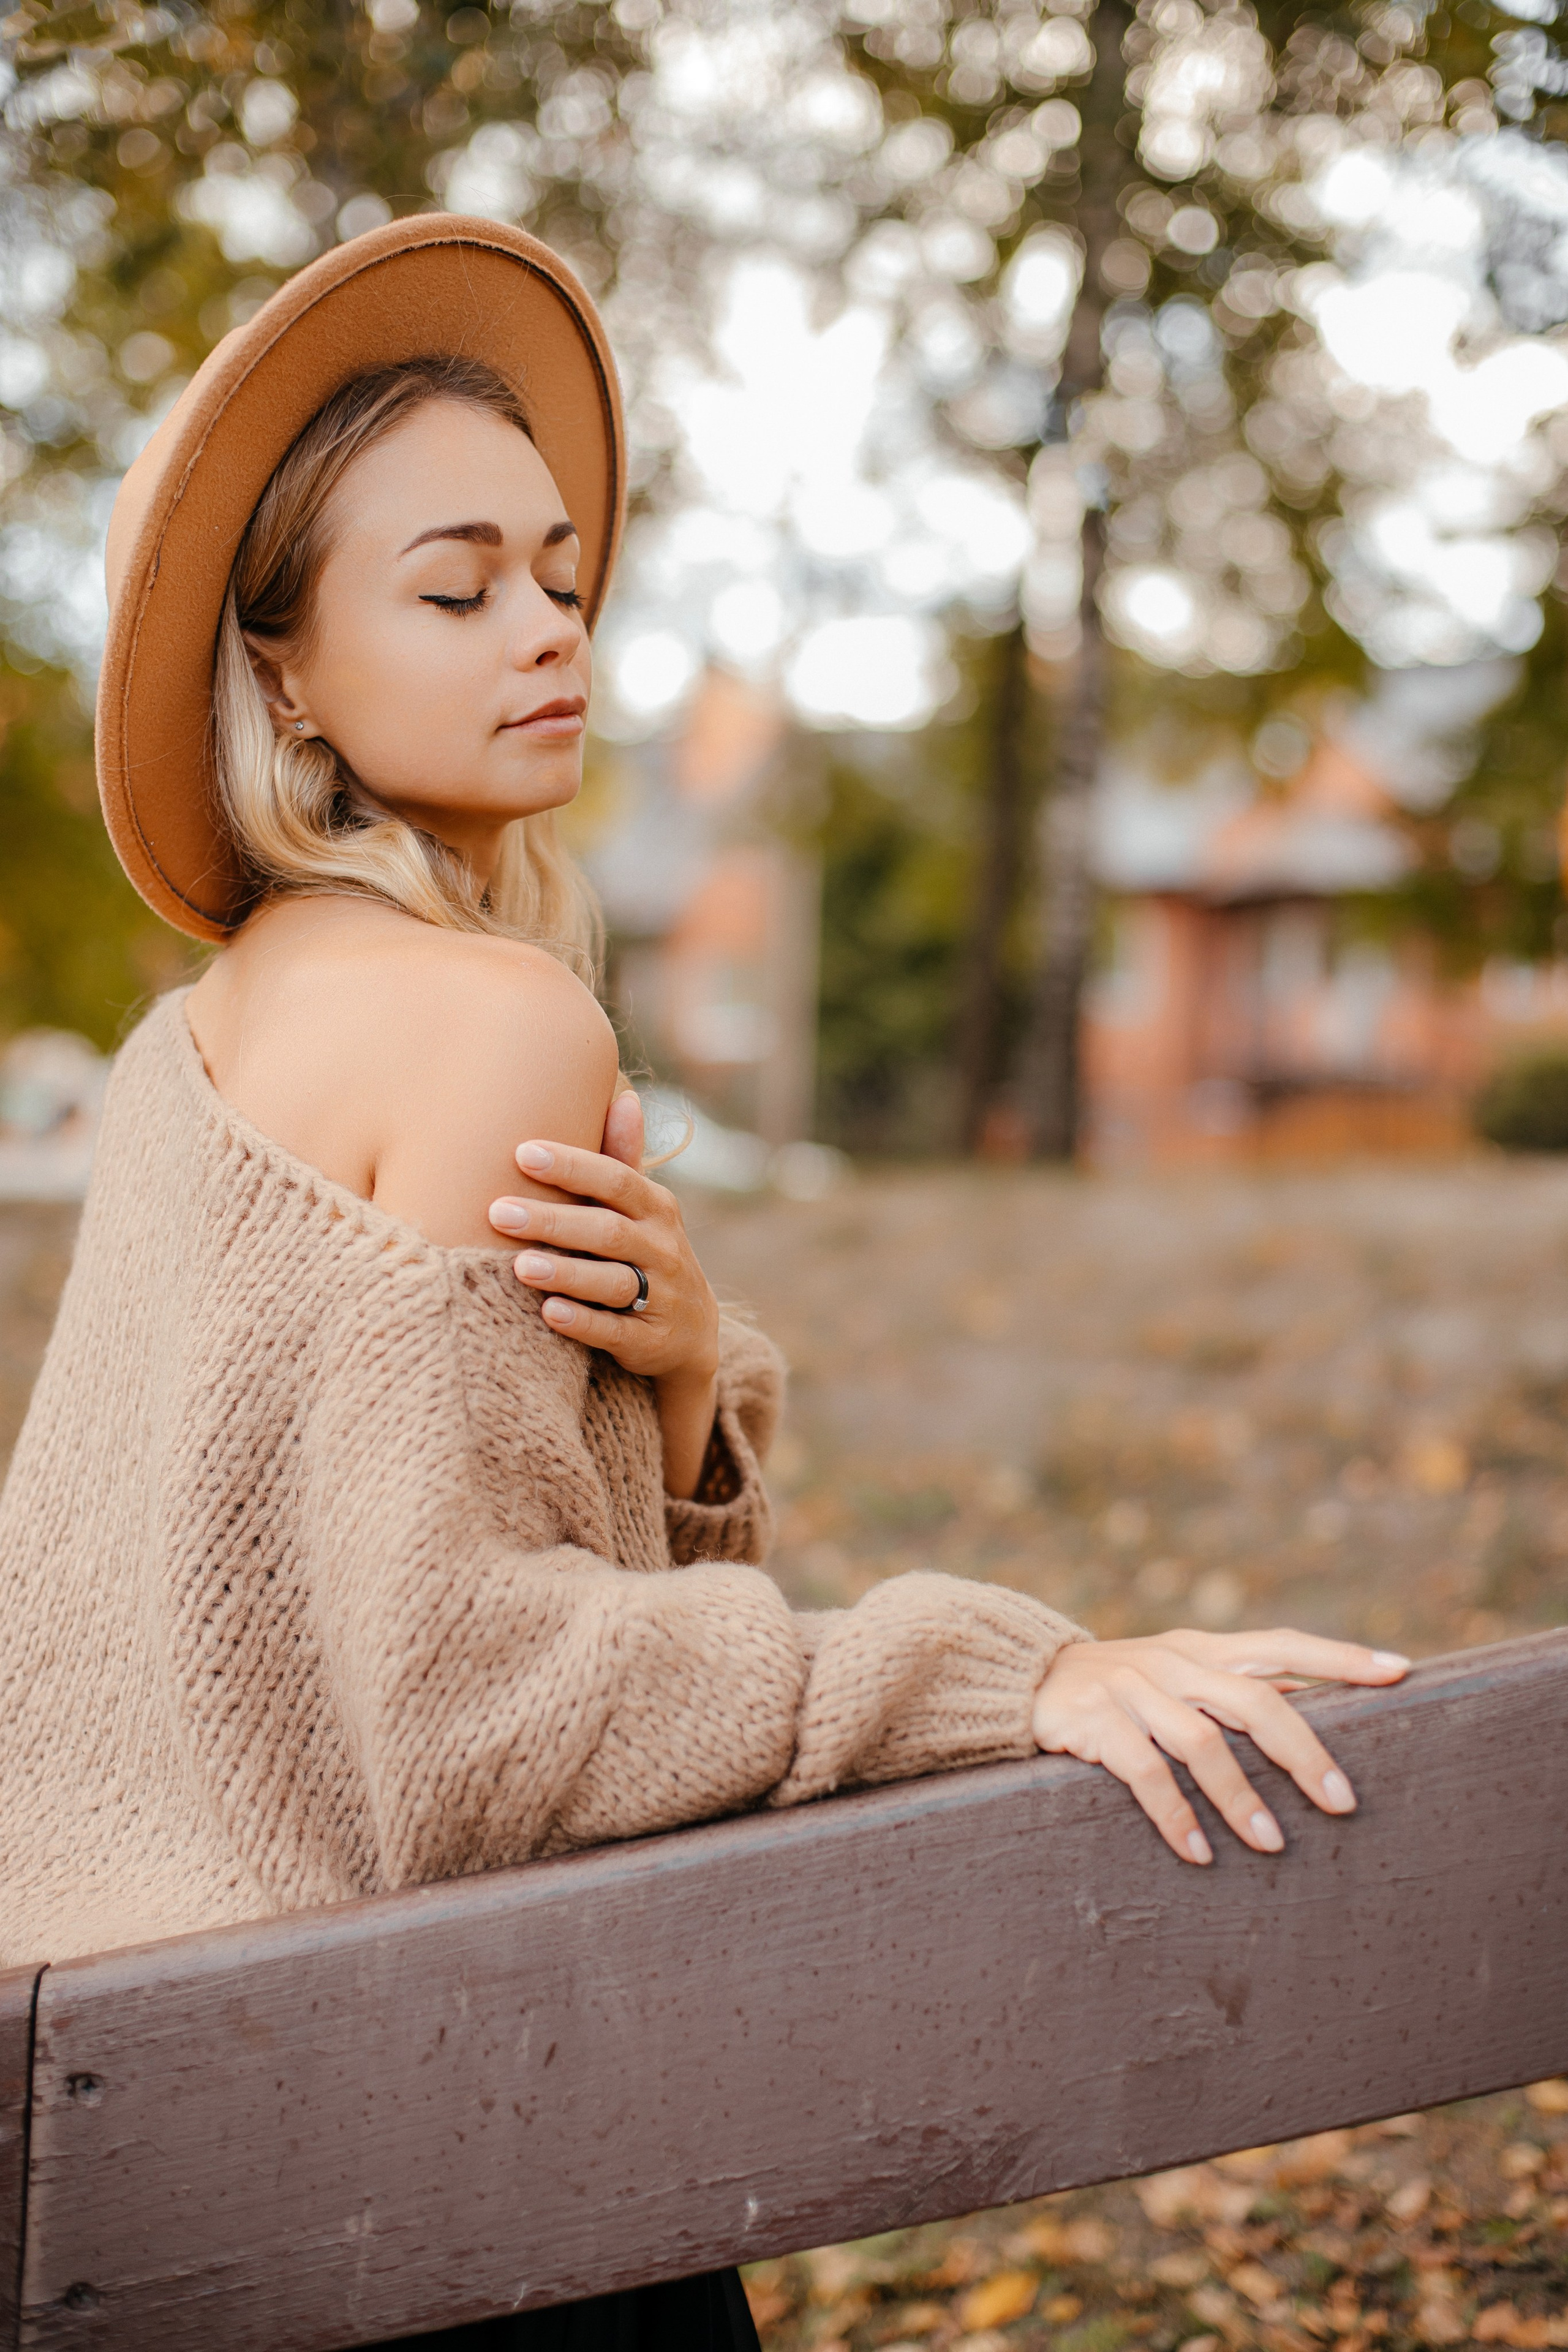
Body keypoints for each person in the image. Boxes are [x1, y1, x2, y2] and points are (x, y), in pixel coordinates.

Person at [0, 219, 1408, 2350]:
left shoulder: (187, 1046)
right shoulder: (497, 1025)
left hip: (121, 2128)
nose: (551, 629)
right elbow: (476, 1725)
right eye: (457, 588)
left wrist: (671, 1387)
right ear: (275, 666)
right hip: (401, 2149)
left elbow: (278, 1612)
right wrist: (1001, 1670)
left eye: (562, 575)